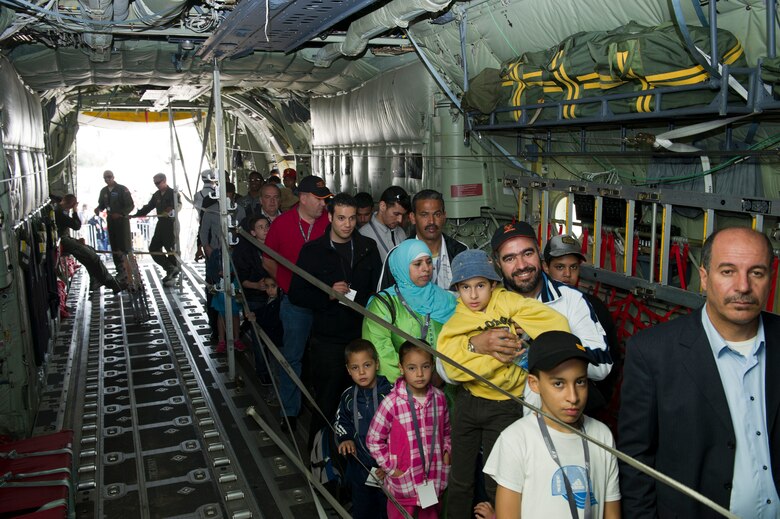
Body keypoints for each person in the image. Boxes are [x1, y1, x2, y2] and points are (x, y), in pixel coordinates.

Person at [618, 227, 780, 518]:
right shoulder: (653, 352)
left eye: (756, 273)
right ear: (704, 278)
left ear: (771, 278)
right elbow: (635, 463)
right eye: (728, 271)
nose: (743, 286)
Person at [436, 249, 571, 518]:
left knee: (498, 479)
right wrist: (495, 355)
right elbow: (450, 366)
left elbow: (558, 326)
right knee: (460, 479)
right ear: (457, 289)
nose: (473, 295)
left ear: (493, 284)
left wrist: (527, 341)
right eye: (465, 287)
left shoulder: (510, 304)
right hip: (468, 401)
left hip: (505, 404)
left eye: (480, 286)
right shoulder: (458, 316)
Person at [484, 330, 621, 519]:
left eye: (580, 382)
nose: (573, 397)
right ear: (534, 384)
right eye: (559, 384)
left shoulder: (602, 434)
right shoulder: (515, 439)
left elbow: (612, 512)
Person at [467, 221, 611, 390]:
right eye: (510, 258)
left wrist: (539, 339)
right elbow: (444, 370)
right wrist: (475, 345)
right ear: (498, 263)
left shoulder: (571, 299)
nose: (521, 265)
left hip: (553, 409)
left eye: (527, 253)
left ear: (539, 254)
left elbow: (602, 366)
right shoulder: (481, 299)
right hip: (499, 406)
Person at [288, 193, 382, 444]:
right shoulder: (313, 251)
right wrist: (327, 294)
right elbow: (297, 294)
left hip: (360, 337)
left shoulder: (367, 248)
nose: (347, 224)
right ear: (330, 217)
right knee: (327, 403)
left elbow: (377, 291)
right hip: (327, 342)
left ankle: (358, 463)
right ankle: (320, 462)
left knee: (363, 404)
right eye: (341, 218)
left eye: (352, 218)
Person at [263, 175, 332, 432]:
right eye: (318, 199)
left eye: (325, 199)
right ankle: (290, 411)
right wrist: (287, 286)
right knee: (292, 357)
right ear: (303, 198)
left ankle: (327, 409)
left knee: (326, 355)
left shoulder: (329, 223)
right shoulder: (282, 224)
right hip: (295, 303)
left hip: (325, 302)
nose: (323, 204)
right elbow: (268, 260)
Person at [367, 341, 452, 519]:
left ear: (433, 365)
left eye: (425, 366)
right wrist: (391, 469)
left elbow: (447, 430)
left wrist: (446, 453)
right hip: (404, 485)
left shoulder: (440, 398)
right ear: (401, 367)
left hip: (433, 482)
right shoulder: (392, 403)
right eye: (412, 368)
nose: (420, 374)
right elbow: (373, 440)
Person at [543, 233, 621, 408]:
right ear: (546, 268)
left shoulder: (594, 306)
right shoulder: (536, 303)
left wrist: (598, 396)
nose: (567, 274)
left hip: (586, 392)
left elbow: (611, 358)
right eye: (560, 267)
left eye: (574, 267)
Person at [362, 240, 456, 381]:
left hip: (445, 385)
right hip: (401, 393)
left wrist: (443, 375)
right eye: (418, 264)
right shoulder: (383, 304)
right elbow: (380, 352)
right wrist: (412, 383)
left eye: (429, 262)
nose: (426, 268)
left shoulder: (447, 299)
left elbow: (457, 341)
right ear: (402, 267)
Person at [334, 339, 393, 519]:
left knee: (387, 511)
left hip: (388, 469)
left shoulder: (391, 394)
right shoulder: (348, 396)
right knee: (362, 510)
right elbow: (340, 421)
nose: (361, 372)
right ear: (348, 370)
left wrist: (390, 464)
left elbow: (401, 431)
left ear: (377, 364)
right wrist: (346, 439)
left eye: (367, 365)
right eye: (355, 367)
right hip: (360, 466)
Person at [379, 189, 468, 291]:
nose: (431, 221)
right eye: (424, 215)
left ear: (444, 216)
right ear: (412, 218)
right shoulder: (397, 255)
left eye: (437, 214)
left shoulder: (461, 252)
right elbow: (383, 301)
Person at [232, 215, 275, 383]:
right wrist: (257, 286)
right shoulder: (245, 251)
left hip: (274, 298)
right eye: (260, 227)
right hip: (256, 297)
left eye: (267, 226)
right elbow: (241, 279)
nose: (265, 230)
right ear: (252, 232)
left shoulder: (275, 247)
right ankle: (263, 372)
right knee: (259, 338)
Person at [54, 194, 122, 292]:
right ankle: (111, 283)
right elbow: (76, 225)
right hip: (63, 240)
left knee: (90, 251)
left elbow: (60, 199)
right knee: (92, 257)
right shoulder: (60, 212)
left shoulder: (59, 207)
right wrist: (75, 211)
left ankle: (95, 281)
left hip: (65, 239)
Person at [131, 173, 180, 286]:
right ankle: (170, 268)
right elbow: (148, 207)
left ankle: (172, 275)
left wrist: (170, 210)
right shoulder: (156, 195)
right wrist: (136, 215)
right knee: (153, 248)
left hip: (170, 224)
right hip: (160, 224)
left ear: (164, 180)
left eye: (158, 183)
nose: (156, 185)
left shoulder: (173, 193)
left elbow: (178, 205)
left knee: (171, 250)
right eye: (155, 183)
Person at [94, 170, 134, 279]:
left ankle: (129, 270)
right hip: (111, 221)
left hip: (122, 222)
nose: (107, 179)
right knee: (114, 246)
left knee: (124, 246)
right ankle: (120, 270)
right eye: (105, 178)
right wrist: (98, 209)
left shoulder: (122, 189)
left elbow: (130, 205)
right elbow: (102, 204)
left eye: (109, 177)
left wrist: (120, 213)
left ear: (113, 177)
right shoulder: (103, 191)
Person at [358, 186, 410, 262]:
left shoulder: (401, 232)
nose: (400, 220)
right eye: (396, 214)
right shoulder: (364, 235)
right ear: (382, 206)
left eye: (403, 215)